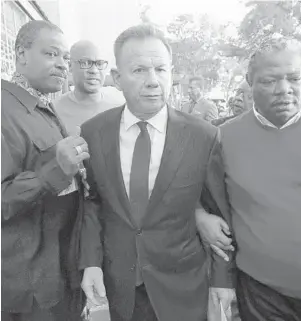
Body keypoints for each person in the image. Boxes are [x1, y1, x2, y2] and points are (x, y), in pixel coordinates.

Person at [78, 24, 235, 321]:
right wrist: (91, 262)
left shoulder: (203, 136)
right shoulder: (94, 133)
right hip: (119, 282)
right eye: (139, 70)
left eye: (161, 69)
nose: (153, 81)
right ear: (117, 78)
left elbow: (217, 213)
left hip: (182, 286)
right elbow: (93, 202)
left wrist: (222, 280)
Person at [198, 37, 301, 320]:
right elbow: (197, 195)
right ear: (249, 81)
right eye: (269, 81)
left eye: (294, 78)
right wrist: (198, 215)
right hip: (262, 295)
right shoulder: (222, 139)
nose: (284, 90)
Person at [1, 20, 89, 321]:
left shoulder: (42, 107)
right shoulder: (4, 109)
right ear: (21, 54)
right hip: (29, 286)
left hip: (60, 272)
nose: (63, 65)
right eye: (52, 54)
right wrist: (57, 170)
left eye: (66, 58)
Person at [54, 40, 117, 136]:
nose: (94, 71)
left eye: (99, 64)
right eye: (86, 63)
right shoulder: (54, 110)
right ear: (70, 66)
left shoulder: (118, 108)